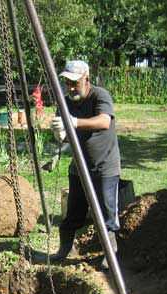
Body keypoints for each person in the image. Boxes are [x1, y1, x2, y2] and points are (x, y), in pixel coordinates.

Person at [49, 60, 121, 269]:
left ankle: (110, 255)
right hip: (79, 167)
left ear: (86, 79)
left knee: (106, 213)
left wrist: (75, 122)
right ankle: (64, 249)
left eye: (75, 83)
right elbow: (64, 135)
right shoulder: (66, 102)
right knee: (73, 211)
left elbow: (104, 121)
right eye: (67, 83)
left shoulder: (100, 95)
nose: (70, 88)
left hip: (104, 166)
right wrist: (59, 133)